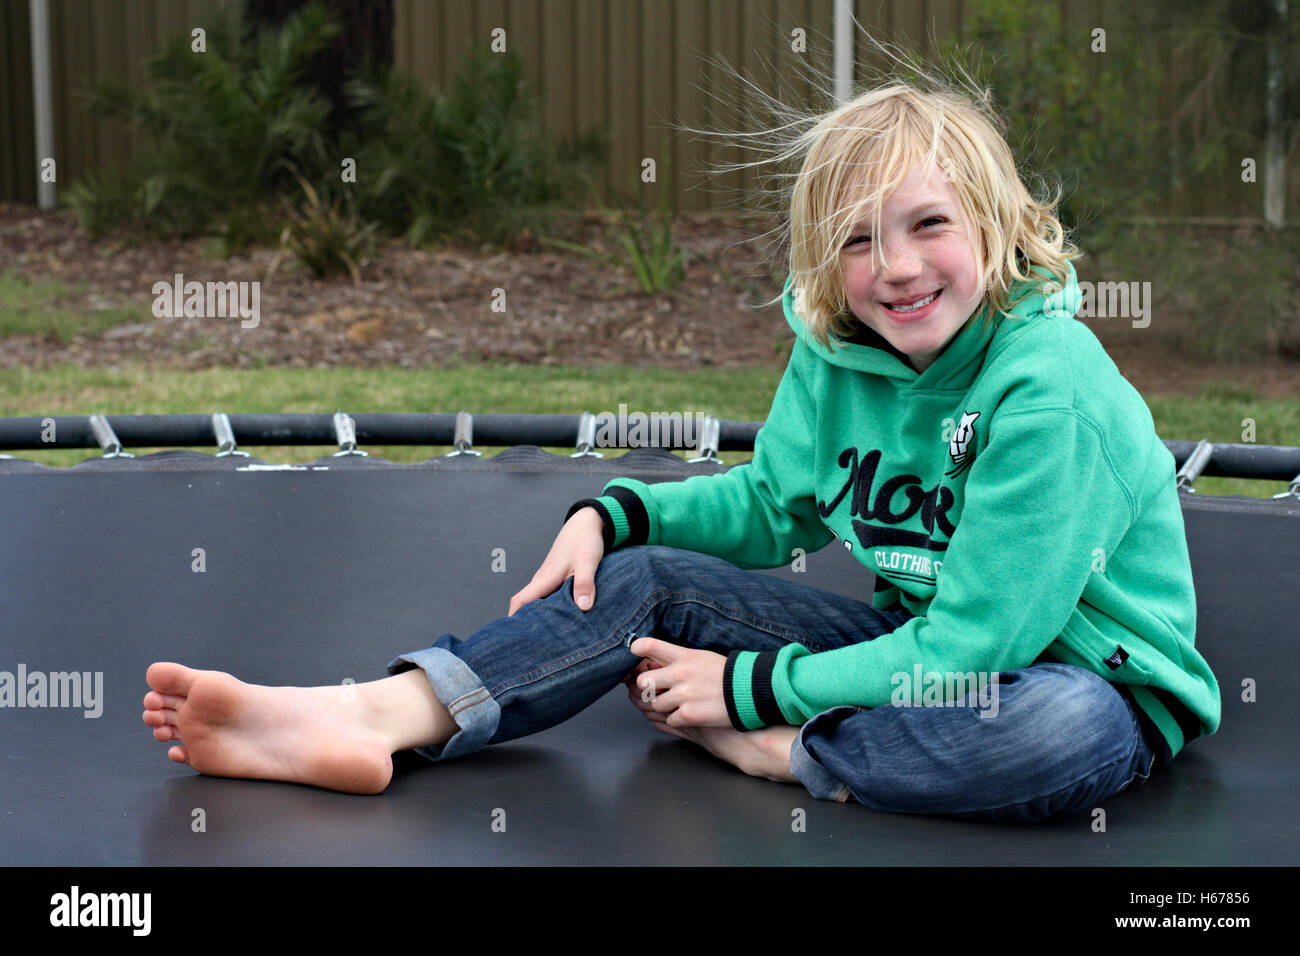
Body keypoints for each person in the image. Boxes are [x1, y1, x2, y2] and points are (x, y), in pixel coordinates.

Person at [142, 79, 1220, 822]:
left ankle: (792, 755)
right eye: (855, 238)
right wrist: (619, 513)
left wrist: (753, 696)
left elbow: (974, 651)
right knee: (642, 577)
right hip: (912, 646)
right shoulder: (845, 351)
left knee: (1053, 729)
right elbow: (770, 505)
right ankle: (371, 715)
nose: (894, 266)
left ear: (993, 224)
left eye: (927, 224)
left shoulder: (1048, 392)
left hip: (1071, 679)